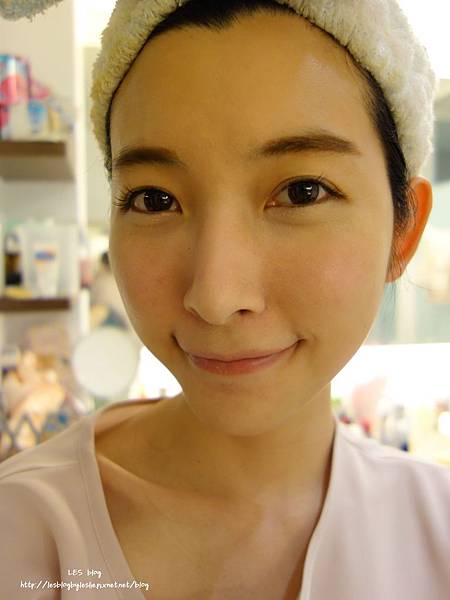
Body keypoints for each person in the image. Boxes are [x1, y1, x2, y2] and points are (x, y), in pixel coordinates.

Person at [0, 1, 449, 599]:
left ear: (403, 231)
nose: (214, 296)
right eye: (154, 200)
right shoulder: (23, 534)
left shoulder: (437, 535)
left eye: (302, 191)